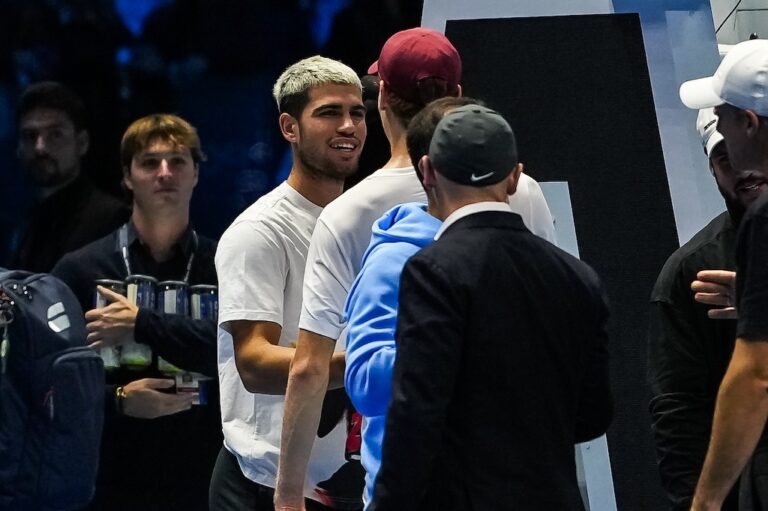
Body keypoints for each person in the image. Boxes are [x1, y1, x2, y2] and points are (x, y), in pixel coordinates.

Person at [275, 28, 557, 510]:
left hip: (407, 479)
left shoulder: (349, 213)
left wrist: (285, 496)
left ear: (381, 95)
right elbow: (550, 332)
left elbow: (310, 367)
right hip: (513, 471)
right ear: (459, 98)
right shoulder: (521, 190)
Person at [368, 104, 612, 510]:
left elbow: (417, 412)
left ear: (426, 171)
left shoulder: (433, 271)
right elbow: (593, 415)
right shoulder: (578, 277)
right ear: (515, 177)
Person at [211, 56, 366, 511]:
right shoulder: (258, 231)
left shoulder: (366, 223)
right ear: (289, 127)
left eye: (357, 112)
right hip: (264, 484)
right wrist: (365, 366)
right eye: (329, 112)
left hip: (342, 479)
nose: (348, 125)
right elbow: (255, 363)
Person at [51, 114, 220, 511]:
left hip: (203, 477)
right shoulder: (82, 270)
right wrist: (119, 400)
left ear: (196, 173)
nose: (165, 173)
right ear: (127, 177)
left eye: (178, 161)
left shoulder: (226, 263)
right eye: (149, 163)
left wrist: (141, 323)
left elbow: (238, 353)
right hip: (109, 478)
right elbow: (48, 384)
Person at [344, 95, 477, 507]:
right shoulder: (393, 259)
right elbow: (365, 384)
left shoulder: (515, 255)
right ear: (429, 170)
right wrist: (452, 340)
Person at [647, 106, 768, 510]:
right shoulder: (690, 272)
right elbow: (679, 406)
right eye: (724, 158)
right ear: (712, 171)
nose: (742, 168)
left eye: (745, 150)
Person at [678, 39, 768, 510]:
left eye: (725, 118)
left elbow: (755, 377)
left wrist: (705, 502)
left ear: (747, 123)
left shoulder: (764, 220)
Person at [13, 81, 128, 272]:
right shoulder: (17, 221)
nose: (40, 147)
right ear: (18, 147)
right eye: (30, 136)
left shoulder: (111, 220)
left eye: (55, 134)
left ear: (82, 143)